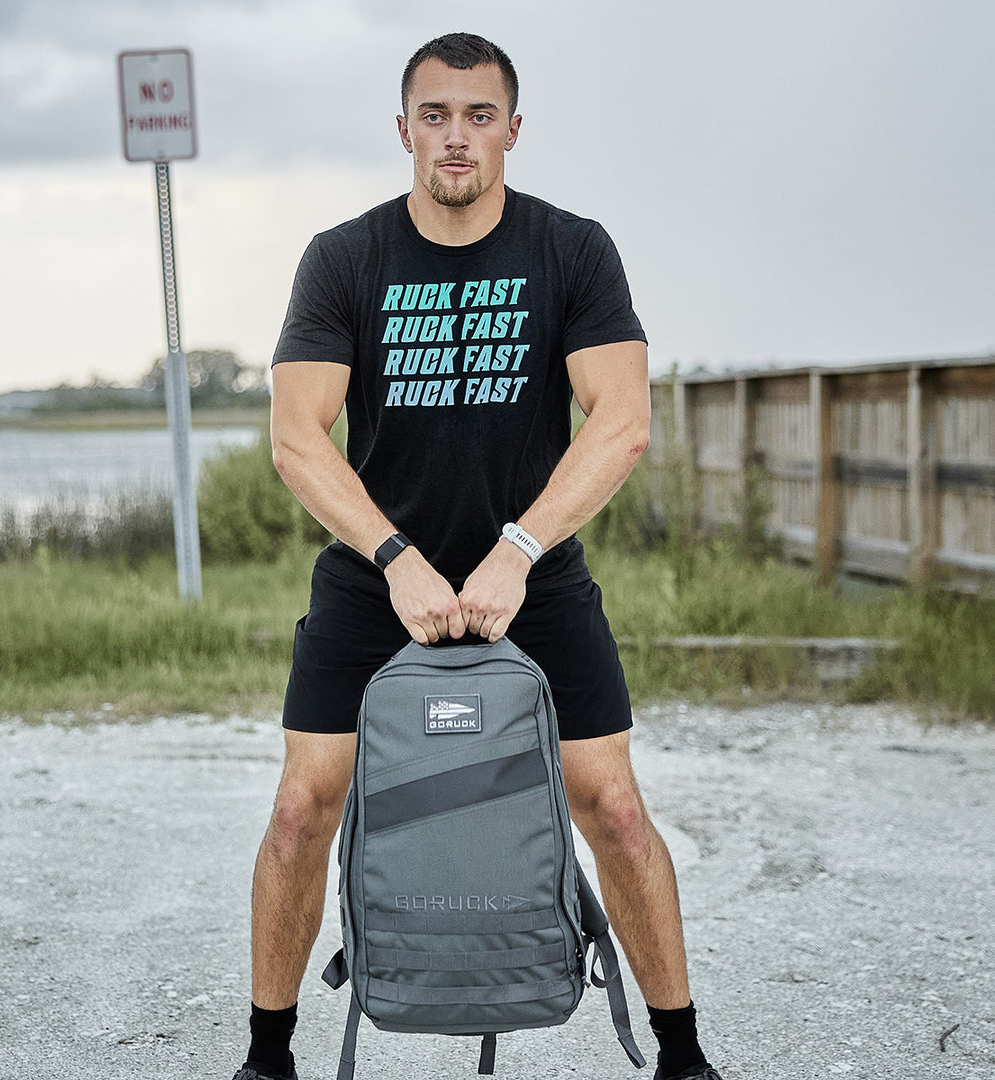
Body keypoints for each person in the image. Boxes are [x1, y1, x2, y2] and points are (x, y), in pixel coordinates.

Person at [231, 32, 722, 1080]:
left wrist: (519, 550)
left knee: (616, 807)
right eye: (437, 115)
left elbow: (622, 421)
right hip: (377, 574)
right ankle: (267, 1057)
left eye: (480, 115)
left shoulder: (572, 250)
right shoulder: (345, 258)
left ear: (511, 130)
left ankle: (683, 1055)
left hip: (532, 573)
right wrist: (396, 555)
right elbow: (295, 435)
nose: (458, 136)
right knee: (299, 806)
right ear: (404, 130)